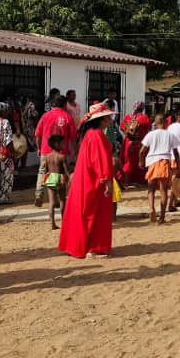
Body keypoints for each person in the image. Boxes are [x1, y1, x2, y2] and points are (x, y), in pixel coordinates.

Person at [58, 103, 116, 258]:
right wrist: (106, 181)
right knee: (94, 214)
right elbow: (99, 160)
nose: (110, 119)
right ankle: (94, 247)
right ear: (102, 119)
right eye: (108, 117)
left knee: (83, 212)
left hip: (86, 179)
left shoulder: (89, 134)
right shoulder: (96, 135)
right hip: (94, 181)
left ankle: (80, 245)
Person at [34, 95, 77, 207]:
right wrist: (74, 152)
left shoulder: (45, 115)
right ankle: (58, 198)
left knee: (42, 171)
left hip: (45, 150)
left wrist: (38, 148)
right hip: (62, 153)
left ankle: (39, 193)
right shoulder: (68, 117)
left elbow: (37, 134)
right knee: (61, 174)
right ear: (64, 104)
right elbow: (73, 138)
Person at [140, 114, 180, 224]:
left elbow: (142, 150)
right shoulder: (170, 135)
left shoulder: (150, 134)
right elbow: (176, 153)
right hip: (164, 162)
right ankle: (162, 217)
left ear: (155, 122)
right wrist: (178, 166)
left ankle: (151, 208)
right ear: (166, 123)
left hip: (152, 162)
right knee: (163, 190)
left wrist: (141, 161)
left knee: (151, 189)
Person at [42, 134, 70, 230]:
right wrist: (69, 179)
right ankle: (64, 222)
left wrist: (44, 180)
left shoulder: (47, 156)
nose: (64, 145)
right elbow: (66, 171)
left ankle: (52, 223)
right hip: (60, 179)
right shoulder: (62, 156)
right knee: (62, 200)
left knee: (52, 202)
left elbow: (45, 169)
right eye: (62, 143)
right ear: (57, 144)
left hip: (50, 178)